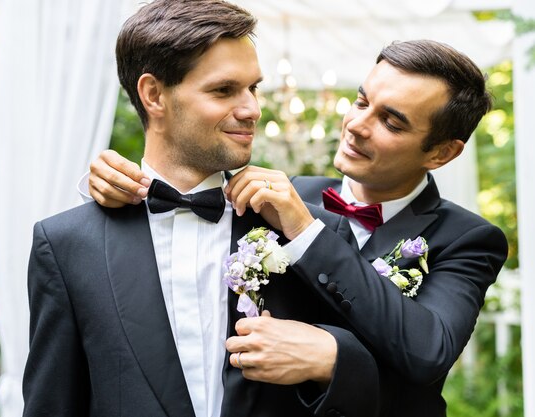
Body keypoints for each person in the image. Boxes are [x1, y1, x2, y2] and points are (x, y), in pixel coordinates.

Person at [84, 39, 509, 416]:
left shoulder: (469, 239)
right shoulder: (279, 196)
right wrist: (110, 183)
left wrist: (310, 237)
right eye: (362, 103)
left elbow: (428, 351)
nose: (356, 125)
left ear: (441, 153)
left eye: (391, 122)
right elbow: (185, 208)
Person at [23, 1, 381, 417]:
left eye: (253, 88)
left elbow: (378, 381)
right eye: (224, 90)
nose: (251, 109)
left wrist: (332, 360)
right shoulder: (67, 246)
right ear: (154, 95)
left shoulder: (306, 233)